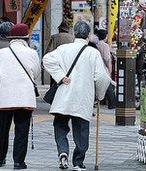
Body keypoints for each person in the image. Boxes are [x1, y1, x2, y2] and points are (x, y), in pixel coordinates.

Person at [43, 21, 111, 171]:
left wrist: (60, 76)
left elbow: (46, 59)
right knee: (81, 130)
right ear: (88, 35)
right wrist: (99, 95)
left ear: (74, 33)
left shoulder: (63, 49)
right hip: (82, 97)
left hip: (63, 96)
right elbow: (101, 77)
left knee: (60, 125)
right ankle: (78, 162)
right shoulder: (93, 53)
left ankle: (62, 151)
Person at [0, 23, 41, 169]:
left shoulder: (1, 53)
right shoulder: (32, 53)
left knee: (2, 128)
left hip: (5, 95)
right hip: (24, 96)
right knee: (21, 129)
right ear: (26, 38)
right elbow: (37, 73)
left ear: (11, 38)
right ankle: (18, 162)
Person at [46, 21, 74, 86]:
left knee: (54, 83)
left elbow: (49, 51)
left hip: (56, 63)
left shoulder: (54, 37)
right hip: (68, 63)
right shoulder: (72, 38)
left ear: (60, 29)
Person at [96, 29, 116, 109]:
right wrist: (109, 69)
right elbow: (107, 59)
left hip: (96, 67)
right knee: (108, 84)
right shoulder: (105, 45)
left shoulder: (95, 44)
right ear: (105, 36)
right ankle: (112, 103)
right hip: (103, 67)